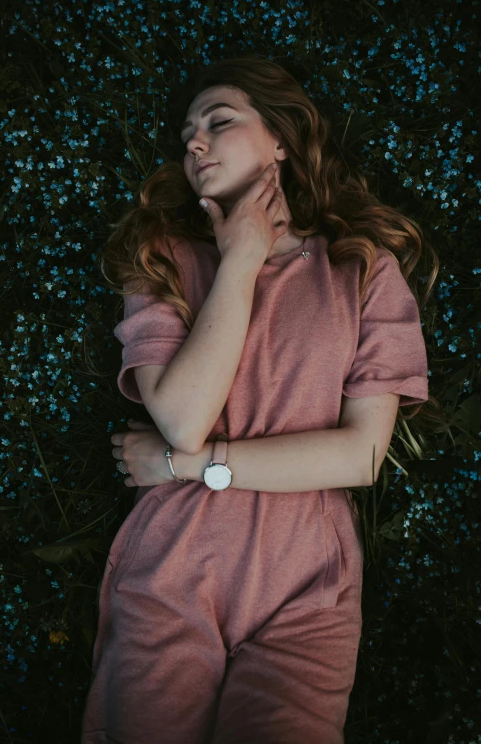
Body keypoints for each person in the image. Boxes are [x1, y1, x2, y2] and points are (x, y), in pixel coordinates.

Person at [80, 57, 438, 743]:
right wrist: (240, 261)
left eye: (218, 121)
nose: (194, 142)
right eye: (187, 133)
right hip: (173, 567)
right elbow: (181, 418)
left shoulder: (362, 270)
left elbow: (360, 453)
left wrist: (189, 468)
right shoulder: (161, 258)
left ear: (281, 139)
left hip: (305, 579)